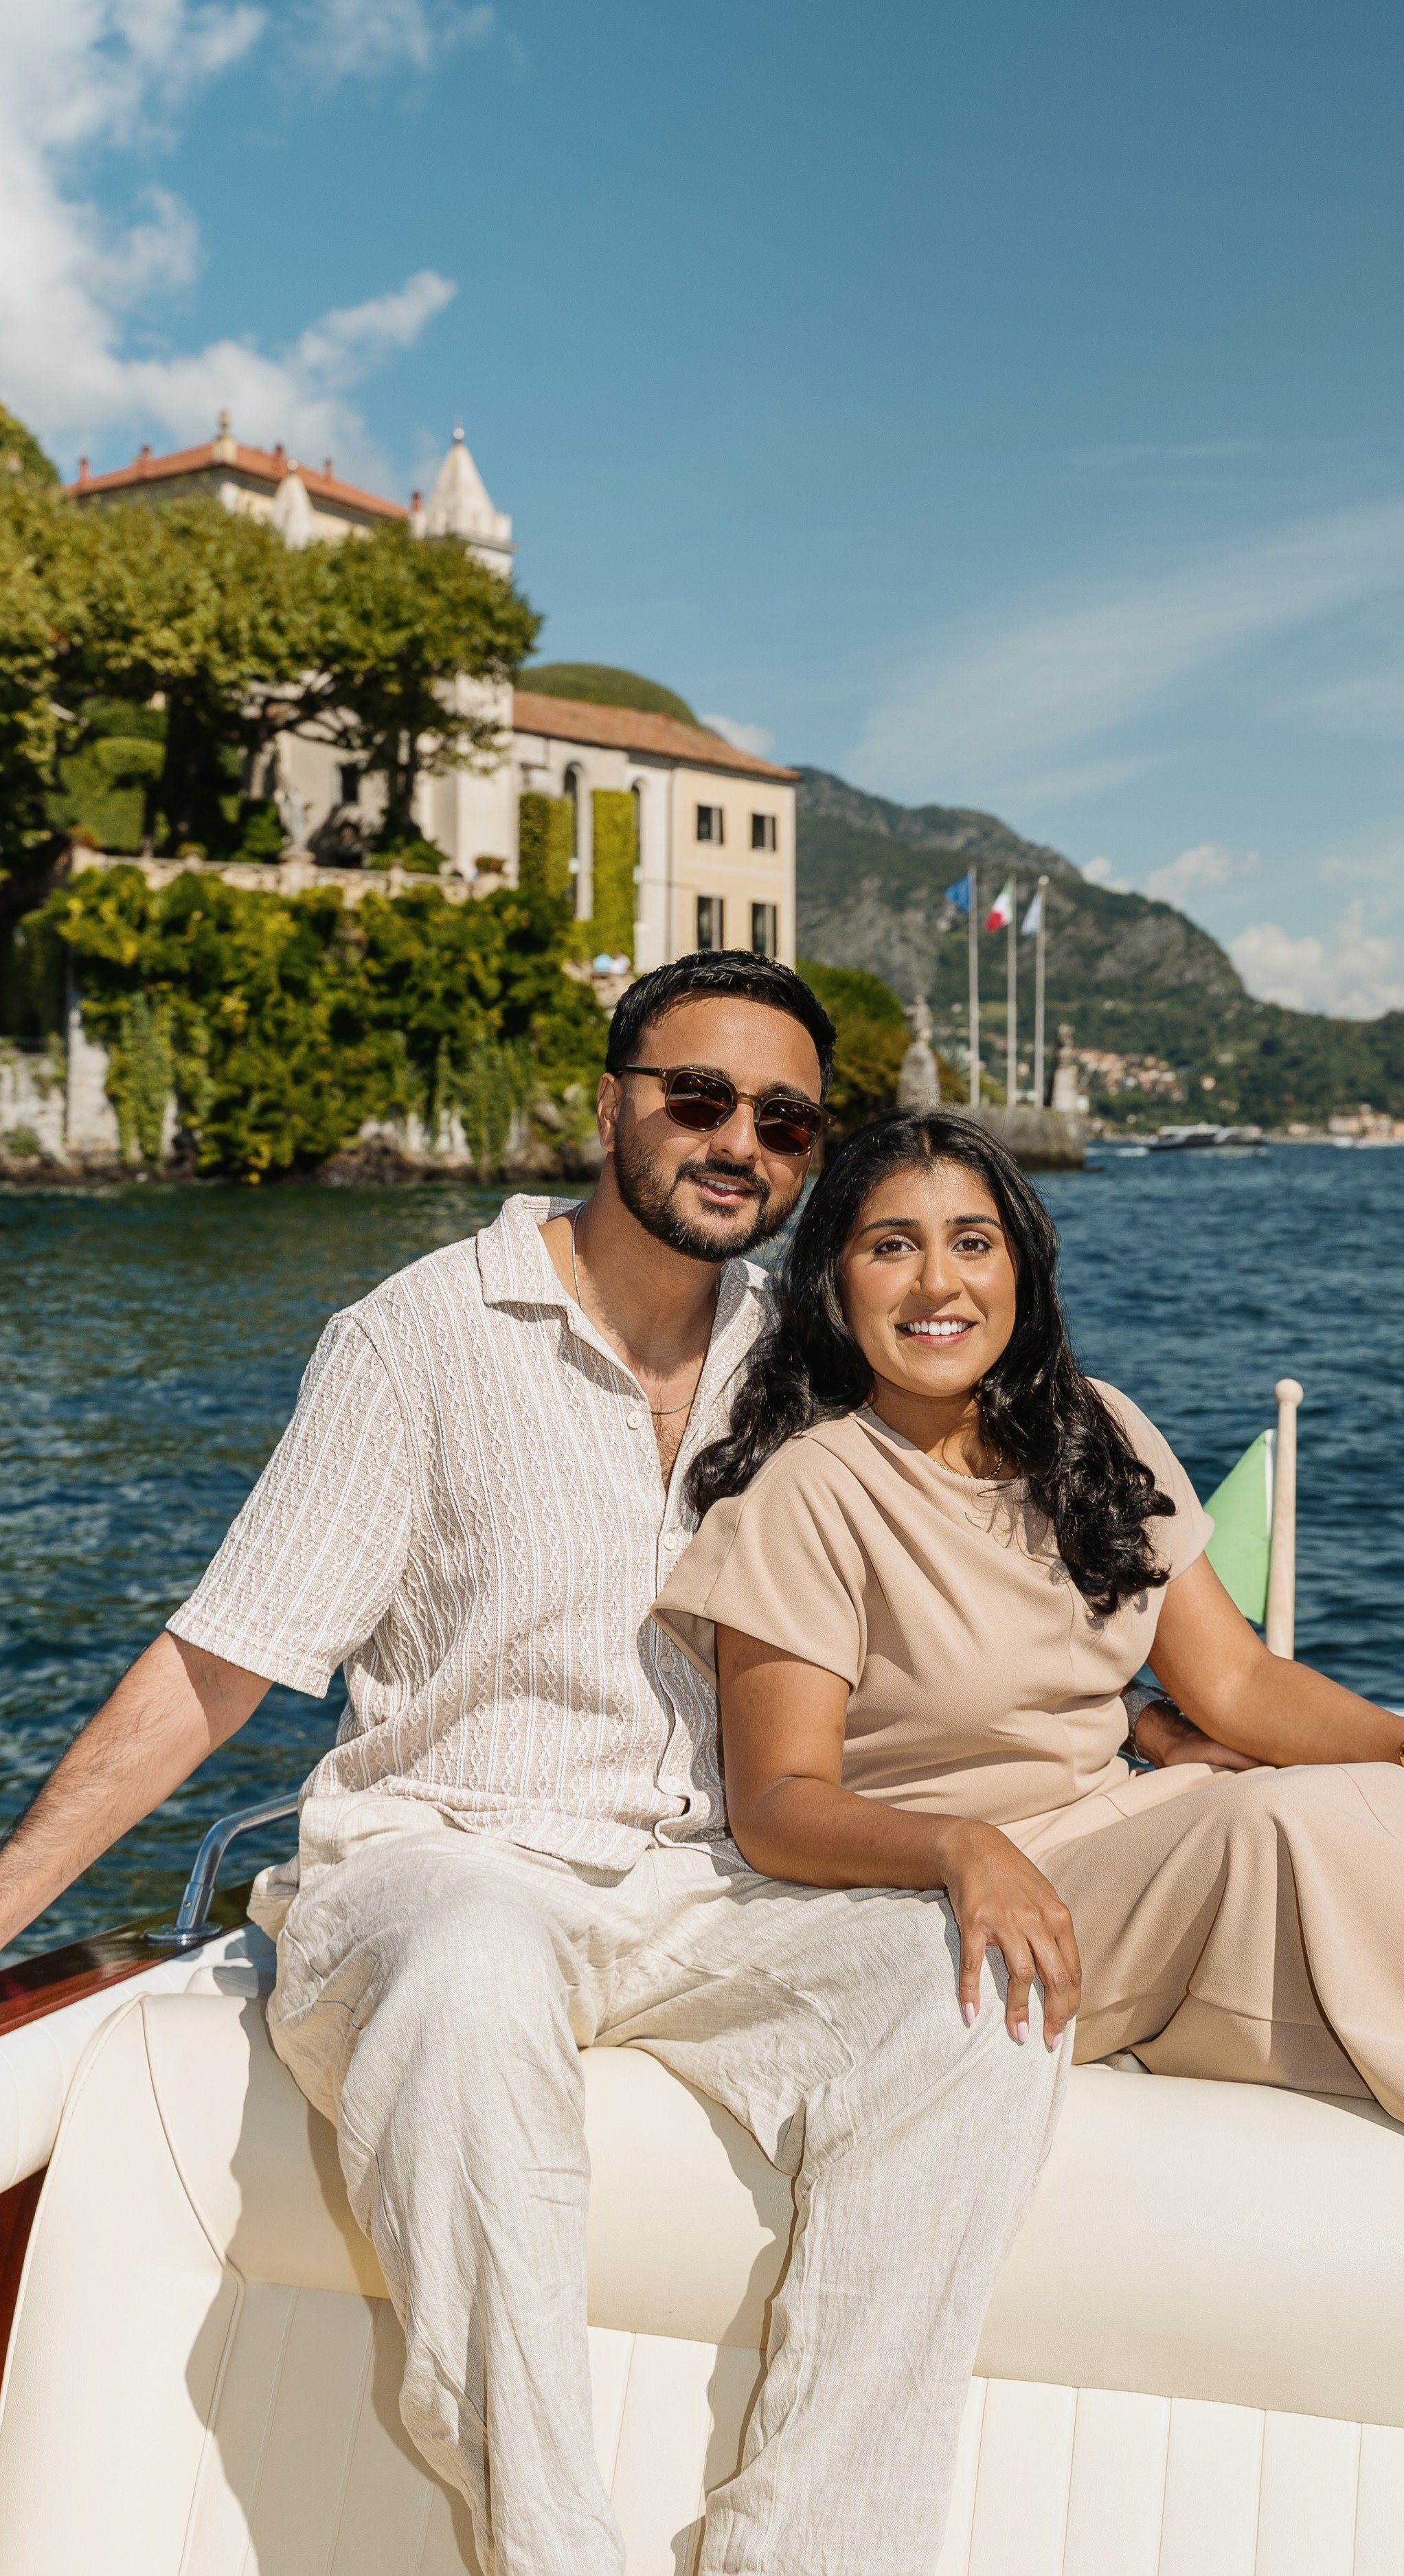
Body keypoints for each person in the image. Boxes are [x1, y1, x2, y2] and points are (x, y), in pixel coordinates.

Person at [0, 969, 1067, 2576]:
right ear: (610, 1100)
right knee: (473, 1966)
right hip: (447, 1857)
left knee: (980, 2002)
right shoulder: (418, 1337)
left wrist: (1164, 1730)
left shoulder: (799, 1352)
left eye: (784, 1121)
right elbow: (226, 1658)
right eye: (697, 1098)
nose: (737, 1143)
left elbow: (972, 1567)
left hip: (715, 1885)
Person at [654, 1107, 1404, 2136]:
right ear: (836, 1282)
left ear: (1020, 1267)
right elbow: (779, 1804)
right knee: (1271, 1825)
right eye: (893, 1246)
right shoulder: (811, 1490)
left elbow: (1238, 1683)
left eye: (972, 1242)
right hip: (969, 1897)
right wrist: (958, 1844)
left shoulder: (1096, 1427)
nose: (939, 1281)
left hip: (1131, 1830)